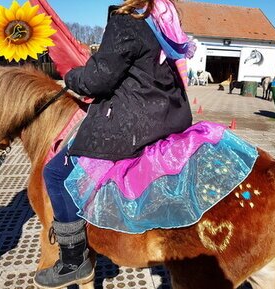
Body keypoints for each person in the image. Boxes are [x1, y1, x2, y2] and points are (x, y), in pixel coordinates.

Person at [34, 0, 196, 288]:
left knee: (55, 173)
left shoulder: (127, 19)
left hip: (133, 124)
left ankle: (74, 261)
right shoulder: (164, 17)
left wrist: (71, 76)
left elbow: (98, 80)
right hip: (169, 117)